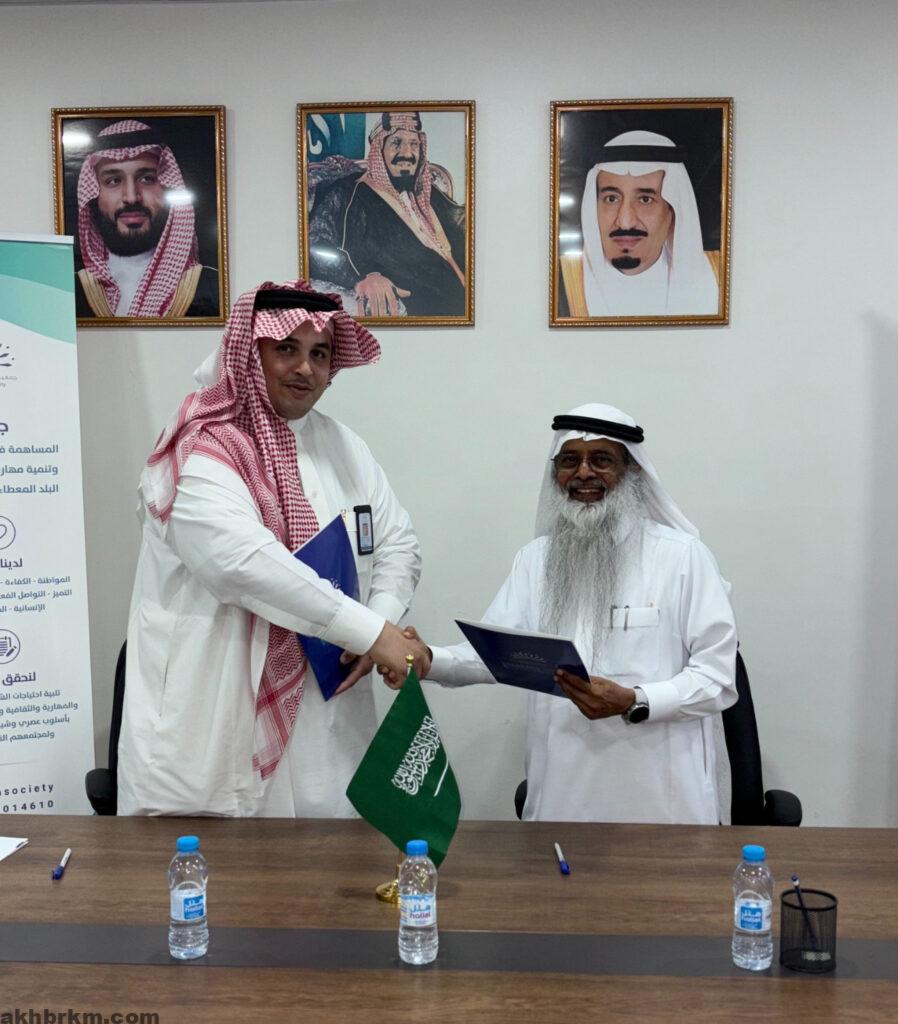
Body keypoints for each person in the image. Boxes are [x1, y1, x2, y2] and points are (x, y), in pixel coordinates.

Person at [117, 279, 428, 817]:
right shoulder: (204, 447)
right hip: (220, 717)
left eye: (320, 354)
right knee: (222, 868)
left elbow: (399, 544)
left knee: (334, 860)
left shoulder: (344, 446)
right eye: (286, 348)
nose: (305, 368)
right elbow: (243, 563)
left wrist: (377, 624)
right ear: (249, 350)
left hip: (330, 715)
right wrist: (373, 634)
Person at [414, 403, 737, 824]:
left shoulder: (683, 558)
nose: (583, 473)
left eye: (601, 460)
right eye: (569, 461)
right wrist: (427, 659)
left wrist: (636, 700)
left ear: (631, 472)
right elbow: (495, 654)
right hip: (560, 797)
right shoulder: (536, 560)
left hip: (662, 802)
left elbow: (717, 679)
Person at [311, 111, 466, 317]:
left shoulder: (428, 193)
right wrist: (363, 279)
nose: (407, 153)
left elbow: (461, 224)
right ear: (379, 149)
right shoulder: (347, 192)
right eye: (396, 143)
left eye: (414, 144)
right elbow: (315, 245)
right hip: (422, 309)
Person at [560, 131, 720, 317]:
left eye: (645, 199)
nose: (625, 222)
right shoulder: (562, 282)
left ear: (673, 211)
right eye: (611, 199)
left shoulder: (718, 275)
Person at [73, 119, 219, 319]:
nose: (132, 197)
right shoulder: (70, 292)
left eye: (147, 179)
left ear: (167, 187)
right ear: (94, 195)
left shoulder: (212, 286)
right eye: (113, 181)